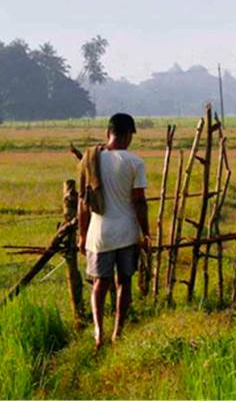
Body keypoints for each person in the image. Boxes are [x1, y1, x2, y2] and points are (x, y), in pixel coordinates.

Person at [77, 113, 150, 349]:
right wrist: (146, 232)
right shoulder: (134, 162)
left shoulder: (90, 160)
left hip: (99, 235)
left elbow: (83, 204)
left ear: (109, 133)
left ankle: (99, 331)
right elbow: (139, 201)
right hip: (127, 232)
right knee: (124, 282)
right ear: (128, 134)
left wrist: (81, 234)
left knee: (100, 282)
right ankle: (118, 331)